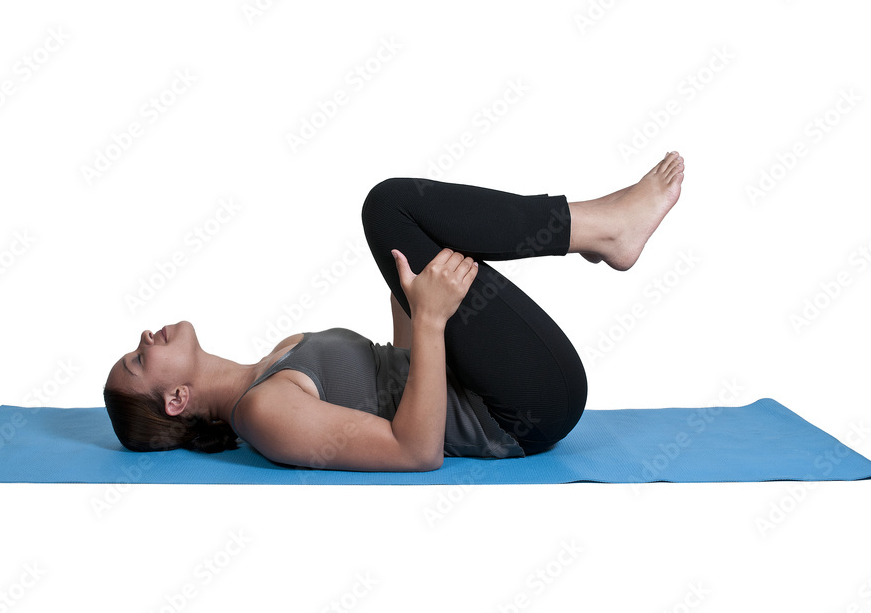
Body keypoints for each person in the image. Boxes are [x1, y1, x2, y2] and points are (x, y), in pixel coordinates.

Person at [103, 151, 686, 471]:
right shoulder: (264, 413)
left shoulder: (277, 359)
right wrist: (430, 319)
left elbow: (399, 374)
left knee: (396, 219)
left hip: (486, 383)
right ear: (175, 400)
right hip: (519, 414)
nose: (145, 338)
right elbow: (415, 450)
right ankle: (604, 229)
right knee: (388, 207)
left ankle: (602, 231)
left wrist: (408, 304)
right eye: (138, 359)